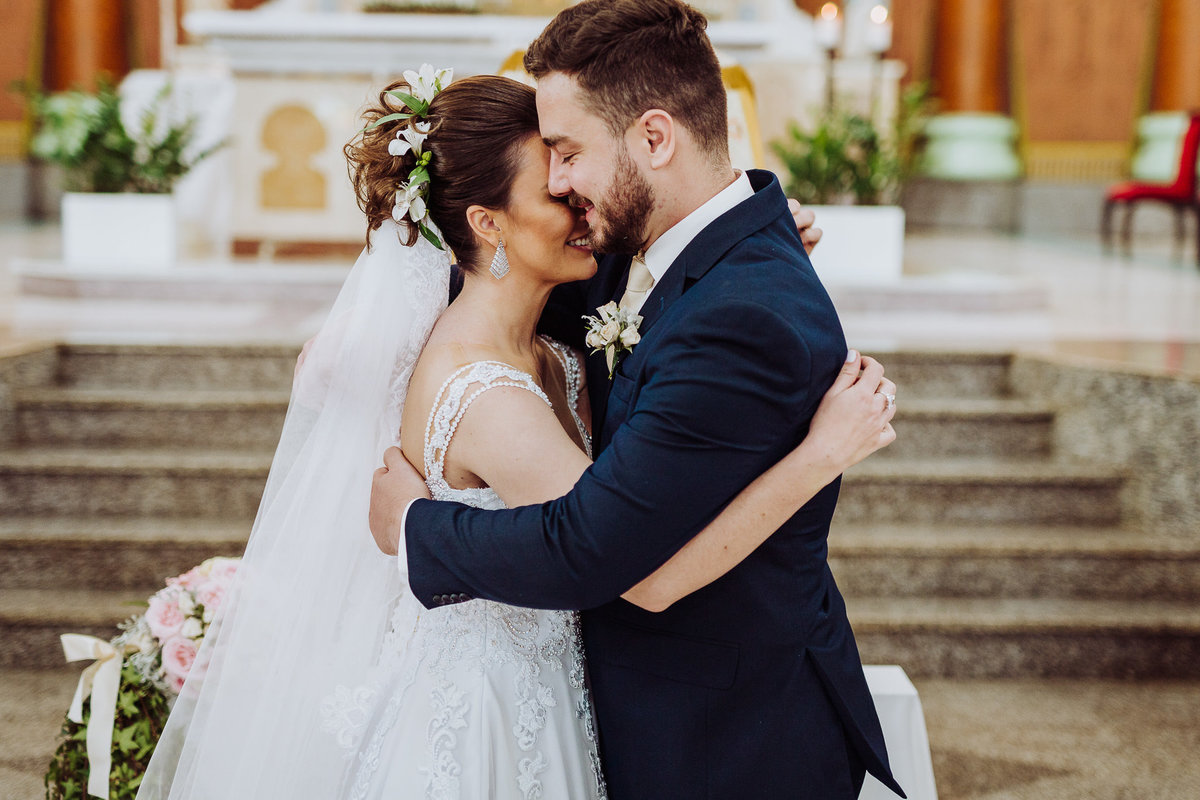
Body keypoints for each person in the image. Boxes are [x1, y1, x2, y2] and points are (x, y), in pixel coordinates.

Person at [137, 59, 894, 799]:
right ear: (486, 222)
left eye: (570, 159)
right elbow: (631, 566)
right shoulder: (484, 391)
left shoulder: (560, 342)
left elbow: (670, 302)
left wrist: (729, 240)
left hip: (595, 695)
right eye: (552, 175)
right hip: (491, 719)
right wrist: (821, 454)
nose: (571, 190)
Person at [368, 2, 907, 799]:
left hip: (725, 746)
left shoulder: (739, 315)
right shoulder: (673, 260)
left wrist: (418, 531)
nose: (559, 180)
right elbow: (515, 280)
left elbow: (605, 553)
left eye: (568, 151)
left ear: (655, 138)